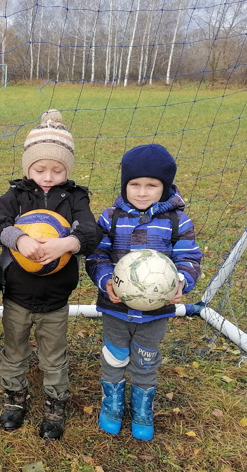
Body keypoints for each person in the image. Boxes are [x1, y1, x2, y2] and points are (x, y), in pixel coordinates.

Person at [0, 110, 103, 440]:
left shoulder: (75, 197)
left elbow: (91, 233)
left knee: (54, 356)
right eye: (40, 168)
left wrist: (67, 243)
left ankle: (55, 404)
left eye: (57, 169)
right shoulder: (16, 196)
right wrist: (19, 239)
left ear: (68, 169)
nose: (47, 175)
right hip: (18, 294)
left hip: (55, 298)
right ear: (28, 167)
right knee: (14, 350)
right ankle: (14, 399)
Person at [86, 143, 202, 440]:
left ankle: (142, 410)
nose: (141, 192)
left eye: (151, 185)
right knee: (114, 356)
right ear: (125, 185)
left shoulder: (177, 220)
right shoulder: (110, 217)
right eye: (134, 184)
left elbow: (190, 259)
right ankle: (111, 405)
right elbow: (96, 256)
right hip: (116, 308)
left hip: (156, 313)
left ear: (165, 186)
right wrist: (107, 280)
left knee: (146, 360)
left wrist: (180, 281)